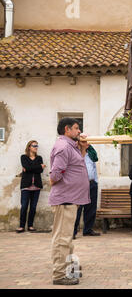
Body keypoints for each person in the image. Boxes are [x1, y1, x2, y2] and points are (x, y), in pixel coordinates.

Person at [49, 118, 90, 285]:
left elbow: (73, 166)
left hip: (70, 199)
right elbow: (55, 175)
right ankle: (59, 275)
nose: (79, 131)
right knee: (62, 238)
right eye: (76, 128)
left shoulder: (70, 147)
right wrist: (56, 182)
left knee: (67, 238)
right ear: (67, 129)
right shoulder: (63, 147)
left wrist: (83, 149)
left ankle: (67, 268)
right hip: (65, 199)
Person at [73, 134, 101, 239]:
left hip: (92, 182)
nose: (86, 143)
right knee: (78, 208)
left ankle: (88, 230)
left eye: (87, 141)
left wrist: (88, 144)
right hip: (79, 184)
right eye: (83, 141)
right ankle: (73, 231)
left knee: (91, 208)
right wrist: (79, 137)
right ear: (78, 143)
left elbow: (96, 158)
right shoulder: (75, 154)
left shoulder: (91, 154)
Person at [17, 140, 45, 233]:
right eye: (34, 146)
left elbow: (39, 171)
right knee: (24, 206)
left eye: (37, 146)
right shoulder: (24, 157)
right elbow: (28, 167)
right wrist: (39, 166)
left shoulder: (39, 158)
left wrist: (29, 168)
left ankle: (30, 225)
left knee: (33, 207)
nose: (36, 147)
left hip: (36, 186)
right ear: (29, 147)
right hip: (26, 185)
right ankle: (21, 226)